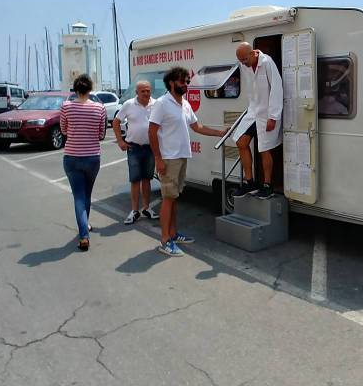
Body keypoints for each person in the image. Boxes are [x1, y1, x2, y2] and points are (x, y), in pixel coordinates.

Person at [148, 67, 226, 257]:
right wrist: (158, 158)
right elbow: (151, 131)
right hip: (168, 158)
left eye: (187, 82)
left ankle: (173, 234)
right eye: (183, 82)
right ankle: (165, 240)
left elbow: (197, 126)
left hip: (182, 156)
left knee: (174, 198)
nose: (186, 85)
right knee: (168, 199)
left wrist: (219, 132)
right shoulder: (162, 104)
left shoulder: (184, 104)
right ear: (172, 83)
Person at [230, 42, 283, 199]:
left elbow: (276, 88)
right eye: (240, 61)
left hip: (267, 113)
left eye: (244, 60)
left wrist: (273, 116)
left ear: (253, 53)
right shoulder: (246, 66)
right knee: (240, 141)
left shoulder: (267, 63)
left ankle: (267, 185)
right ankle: (249, 182)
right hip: (253, 111)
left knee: (264, 148)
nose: (243, 63)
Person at [60, 74, 107, 251]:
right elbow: (101, 134)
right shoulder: (100, 108)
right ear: (90, 89)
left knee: (79, 196)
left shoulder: (66, 107)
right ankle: (84, 227)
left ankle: (84, 233)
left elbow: (64, 130)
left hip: (72, 157)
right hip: (93, 156)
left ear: (75, 88)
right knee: (86, 195)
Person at [113, 80, 157, 224]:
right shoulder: (129, 104)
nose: (145, 93)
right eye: (142, 91)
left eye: (148, 90)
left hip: (150, 148)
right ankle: (134, 211)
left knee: (147, 179)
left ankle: (146, 208)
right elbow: (116, 121)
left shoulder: (156, 104)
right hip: (134, 148)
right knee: (135, 180)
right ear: (136, 92)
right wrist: (120, 140)